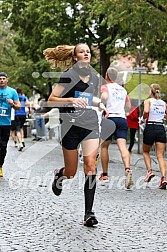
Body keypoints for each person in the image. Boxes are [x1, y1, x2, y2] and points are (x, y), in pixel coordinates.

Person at [44, 43, 107, 227]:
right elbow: (51, 100)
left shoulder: (94, 77)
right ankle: (60, 175)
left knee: (90, 166)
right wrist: (70, 99)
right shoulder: (68, 76)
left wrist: (99, 104)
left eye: (88, 51)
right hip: (70, 126)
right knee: (71, 172)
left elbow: (88, 98)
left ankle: (89, 213)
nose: (86, 54)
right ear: (75, 57)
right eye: (82, 51)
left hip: (89, 124)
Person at [100, 67, 133, 189]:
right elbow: (128, 106)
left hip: (109, 119)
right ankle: (128, 169)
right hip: (122, 119)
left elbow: (103, 97)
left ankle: (104, 174)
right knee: (123, 147)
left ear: (107, 76)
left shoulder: (105, 86)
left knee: (104, 146)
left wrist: (103, 104)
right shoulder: (123, 90)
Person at [141, 84, 167, 189]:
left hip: (150, 127)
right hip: (160, 128)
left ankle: (150, 171)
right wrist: (161, 115)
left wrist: (142, 118)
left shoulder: (148, 101)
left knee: (145, 151)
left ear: (150, 92)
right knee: (160, 155)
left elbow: (146, 111)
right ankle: (164, 178)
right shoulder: (164, 103)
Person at [0, 72, 20, 176]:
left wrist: (12, 104)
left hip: (5, 123)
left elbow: (18, 106)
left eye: (3, 78)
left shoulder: (12, 92)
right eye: (0, 79)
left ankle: (0, 166)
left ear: (7, 80)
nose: (2, 80)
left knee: (3, 147)